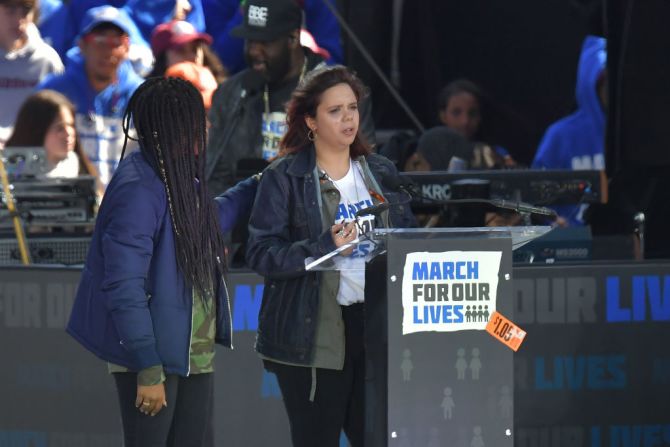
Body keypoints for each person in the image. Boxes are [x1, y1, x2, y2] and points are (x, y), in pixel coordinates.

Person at [66, 77, 258, 447]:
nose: (207, 126)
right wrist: (148, 367)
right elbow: (124, 286)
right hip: (154, 358)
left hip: (191, 354)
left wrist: (259, 183)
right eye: (196, 118)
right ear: (173, 128)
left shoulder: (177, 175)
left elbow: (207, 222)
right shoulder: (138, 188)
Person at [246, 66, 415, 447]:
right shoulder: (284, 177)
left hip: (375, 326)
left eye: (352, 108)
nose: (348, 118)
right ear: (311, 121)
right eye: (335, 110)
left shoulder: (381, 172)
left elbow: (408, 241)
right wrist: (323, 246)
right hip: (315, 330)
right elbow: (260, 253)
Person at [206, 0, 375, 197]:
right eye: (250, 41)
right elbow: (216, 176)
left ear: (293, 38)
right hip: (247, 216)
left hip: (319, 215)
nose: (253, 51)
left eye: (265, 42)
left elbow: (362, 169)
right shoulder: (233, 93)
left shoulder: (338, 93)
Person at [37, 5, 143, 188]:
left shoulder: (141, 96)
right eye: (100, 42)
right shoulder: (54, 91)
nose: (108, 51)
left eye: (116, 43)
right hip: (67, 200)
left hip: (122, 203)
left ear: (127, 48)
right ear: (82, 45)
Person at [532, 35, 607, 226]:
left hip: (626, 245)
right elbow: (535, 193)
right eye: (605, 83)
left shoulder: (639, 139)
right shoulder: (560, 135)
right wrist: (553, 222)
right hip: (571, 246)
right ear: (591, 84)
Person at [0, 0, 63, 146]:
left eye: (26, 10)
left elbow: (59, 113)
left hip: (34, 155)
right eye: (10, 9)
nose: (19, 19)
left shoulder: (48, 59)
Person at [5, 89, 97, 179]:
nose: (69, 133)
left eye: (71, 125)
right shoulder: (9, 176)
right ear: (37, 131)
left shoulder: (80, 170)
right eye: (59, 128)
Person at [436, 78, 517, 168]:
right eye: (456, 113)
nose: (465, 121)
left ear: (480, 116)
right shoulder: (429, 154)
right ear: (443, 116)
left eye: (472, 114)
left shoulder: (497, 153)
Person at [149, 19, 226, 111]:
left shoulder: (223, 88)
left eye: (195, 48)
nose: (193, 56)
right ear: (163, 59)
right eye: (181, 50)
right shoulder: (149, 101)